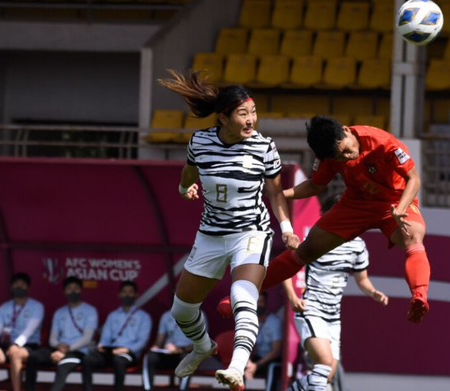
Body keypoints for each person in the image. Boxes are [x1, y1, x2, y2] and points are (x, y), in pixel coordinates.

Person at [158, 69, 299, 391]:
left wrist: (287, 228)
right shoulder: (201, 141)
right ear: (223, 117)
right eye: (243, 114)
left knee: (242, 297)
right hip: (210, 234)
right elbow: (189, 170)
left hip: (250, 233)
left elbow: (275, 192)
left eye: (253, 112)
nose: (251, 120)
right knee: (181, 310)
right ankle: (204, 347)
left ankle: (236, 368)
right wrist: (184, 189)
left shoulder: (264, 147)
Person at [220, 116, 431, 324]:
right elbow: (314, 186)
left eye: (347, 150)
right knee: (306, 250)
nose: (347, 157)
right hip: (356, 204)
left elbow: (414, 179)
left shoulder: (382, 142)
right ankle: (242, 295)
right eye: (340, 157)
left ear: (346, 131)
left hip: (394, 203)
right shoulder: (328, 155)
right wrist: (281, 194)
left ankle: (419, 296)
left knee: (413, 237)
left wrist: (400, 209)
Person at [282, 194, 389, 391]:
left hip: (333, 316)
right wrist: (292, 297)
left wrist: (373, 292)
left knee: (327, 375)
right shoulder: (314, 238)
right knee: (323, 365)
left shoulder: (357, 245)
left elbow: (362, 279)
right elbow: (286, 267)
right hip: (311, 308)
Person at [25, 276, 98, 391]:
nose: (73, 291)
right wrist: (58, 347)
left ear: (81, 290)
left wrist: (66, 350)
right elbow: (53, 338)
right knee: (33, 357)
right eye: (69, 288)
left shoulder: (90, 310)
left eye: (76, 288)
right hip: (59, 348)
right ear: (64, 292)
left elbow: (87, 337)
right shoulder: (60, 312)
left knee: (62, 367)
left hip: (78, 351)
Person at [81, 281, 151, 391]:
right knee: (87, 359)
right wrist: (102, 346)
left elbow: (142, 341)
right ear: (119, 295)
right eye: (124, 292)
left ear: (136, 295)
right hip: (111, 351)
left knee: (118, 361)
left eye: (130, 292)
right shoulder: (113, 315)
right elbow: (105, 337)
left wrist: (127, 350)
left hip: (129, 354)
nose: (127, 295)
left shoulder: (144, 317)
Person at [0, 272, 45, 391]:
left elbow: (30, 330)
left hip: (27, 346)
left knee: (16, 354)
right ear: (11, 287)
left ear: (28, 288)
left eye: (22, 285)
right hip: (6, 346)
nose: (19, 287)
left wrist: (16, 345)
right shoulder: (4, 307)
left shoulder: (37, 306)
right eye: (16, 284)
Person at [142, 310, 208, 391]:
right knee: (149, 356)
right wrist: (155, 347)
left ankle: (183, 388)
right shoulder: (166, 315)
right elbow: (159, 341)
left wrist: (181, 349)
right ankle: (147, 388)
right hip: (168, 353)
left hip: (187, 353)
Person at [243, 292, 282, 382]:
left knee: (271, 368)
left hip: (271, 359)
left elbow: (276, 351)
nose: (258, 305)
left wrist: (256, 365)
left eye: (261, 302)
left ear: (265, 303)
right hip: (258, 357)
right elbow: (246, 344)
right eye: (256, 302)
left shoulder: (274, 322)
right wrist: (248, 362)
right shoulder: (249, 320)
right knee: (240, 368)